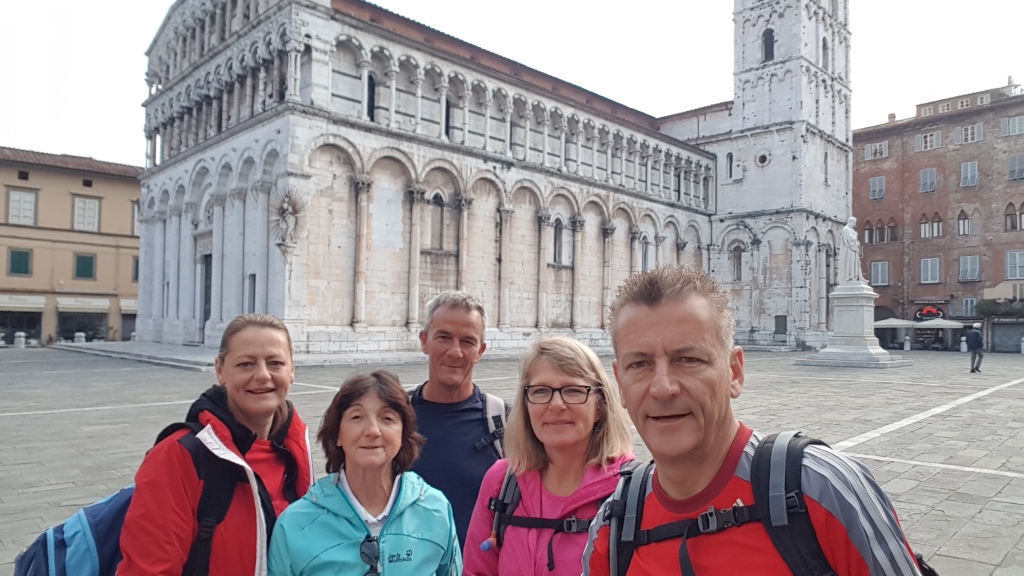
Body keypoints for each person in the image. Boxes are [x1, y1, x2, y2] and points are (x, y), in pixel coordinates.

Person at [583, 266, 923, 576]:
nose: (663, 387)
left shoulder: (823, 489)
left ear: (734, 372)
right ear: (620, 384)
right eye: (639, 365)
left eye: (688, 359)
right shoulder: (614, 524)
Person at [119, 314, 314, 576]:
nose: (262, 375)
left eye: (275, 363)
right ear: (220, 370)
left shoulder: (295, 449)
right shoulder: (177, 456)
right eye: (246, 364)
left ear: (292, 371)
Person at [464, 336, 634, 576]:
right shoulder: (501, 482)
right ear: (526, 406)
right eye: (541, 391)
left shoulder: (631, 491)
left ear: (600, 407)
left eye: (573, 390)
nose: (556, 404)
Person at [268, 371, 461, 576]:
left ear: (403, 434)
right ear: (338, 435)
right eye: (357, 417)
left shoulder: (435, 510)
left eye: (387, 418)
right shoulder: (295, 524)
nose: (373, 431)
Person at [410, 290, 508, 546]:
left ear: (480, 351)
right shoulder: (392, 417)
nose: (455, 351)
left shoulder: (507, 422)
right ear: (424, 341)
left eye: (467, 341)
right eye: (444, 337)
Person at [839, 216, 865, 283]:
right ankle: (850, 276)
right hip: (849, 250)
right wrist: (855, 236)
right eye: (854, 222)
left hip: (853, 250)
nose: (855, 224)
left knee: (856, 263)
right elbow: (848, 241)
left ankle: (855, 276)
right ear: (850, 221)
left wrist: (856, 242)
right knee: (850, 262)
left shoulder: (851, 230)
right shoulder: (846, 229)